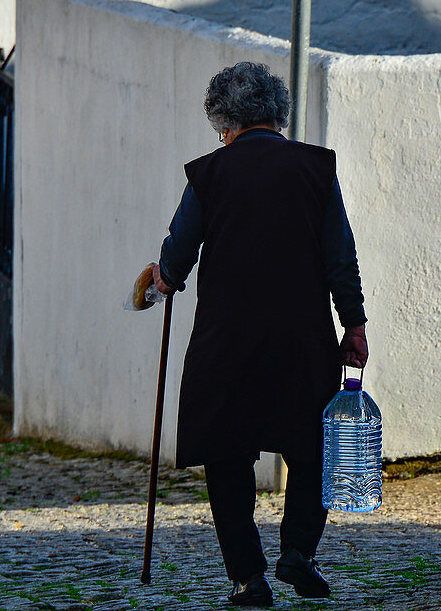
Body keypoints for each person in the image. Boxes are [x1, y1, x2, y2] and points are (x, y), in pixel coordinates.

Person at [152, 61, 368, 607]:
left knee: (227, 456)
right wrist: (355, 324)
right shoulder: (315, 169)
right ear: (278, 114)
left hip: (227, 343)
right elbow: (341, 256)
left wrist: (159, 280)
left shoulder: (209, 173)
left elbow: (176, 260)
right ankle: (298, 552)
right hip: (302, 339)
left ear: (224, 123)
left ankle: (248, 579)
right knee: (312, 447)